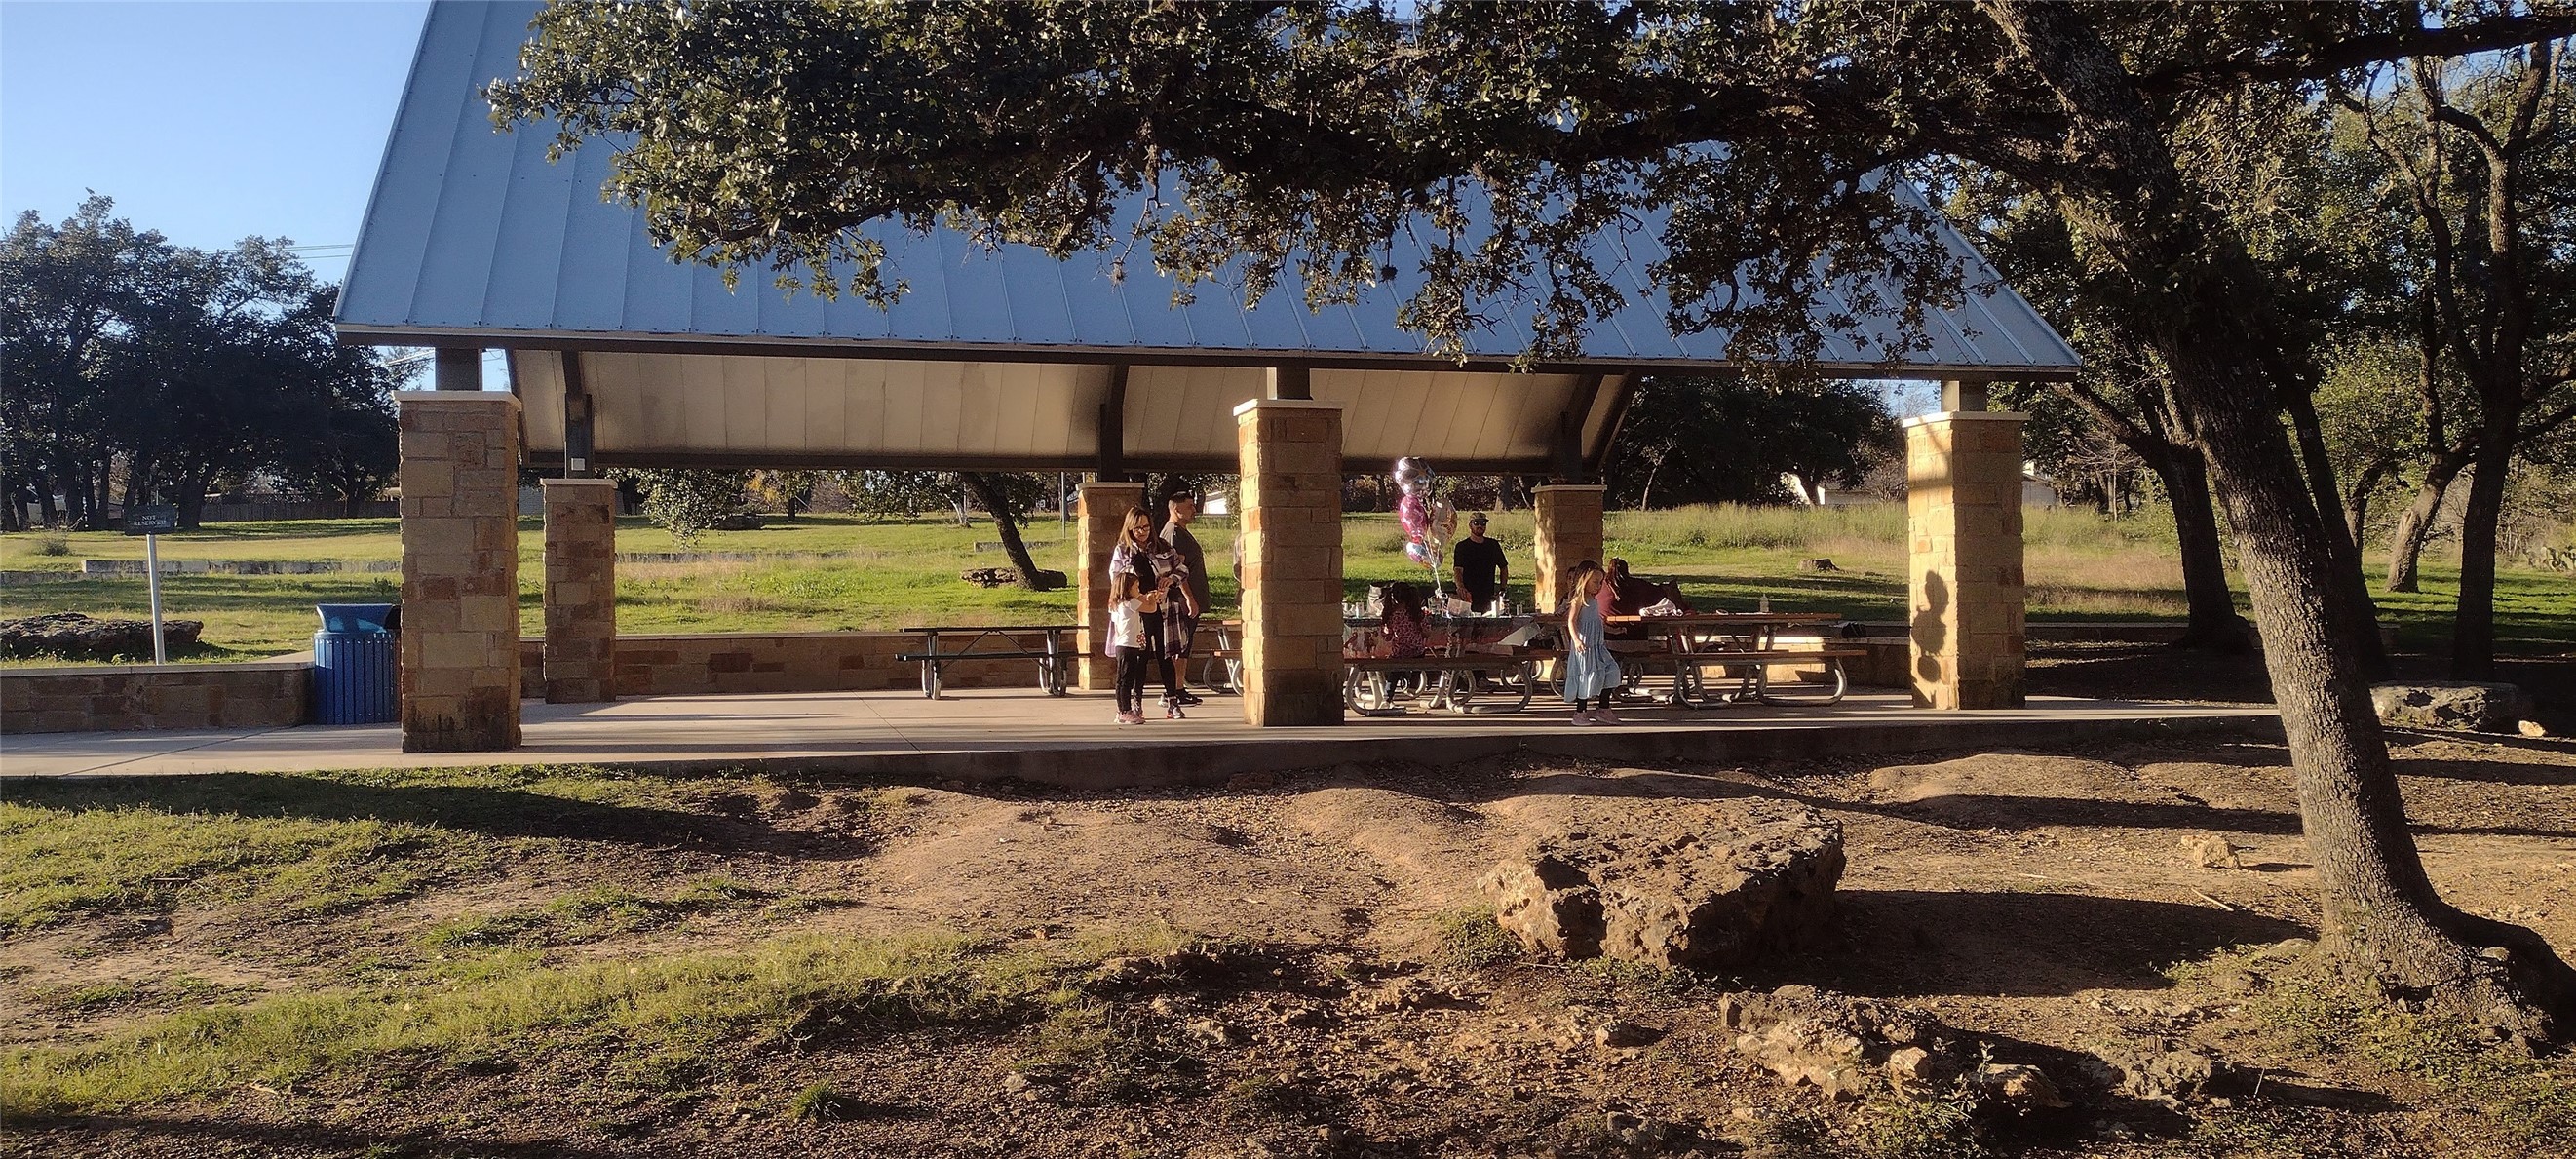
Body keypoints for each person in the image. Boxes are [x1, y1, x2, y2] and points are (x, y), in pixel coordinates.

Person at [1108, 505, 1193, 718]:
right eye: (1137, 529)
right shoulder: (1124, 551)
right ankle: (1136, 702)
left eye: (1146, 527)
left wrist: (1169, 580)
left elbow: (1182, 568)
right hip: (1137, 611)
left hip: (1162, 608)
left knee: (1165, 655)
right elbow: (1117, 581)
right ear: (1129, 529)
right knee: (1140, 657)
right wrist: (1140, 595)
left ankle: (1172, 701)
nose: (1143, 532)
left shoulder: (1162, 546)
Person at [1158, 489, 1212, 707]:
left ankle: (1179, 688)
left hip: (1186, 601)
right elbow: (1176, 570)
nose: (1194, 510)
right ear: (1176, 509)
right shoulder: (1173, 534)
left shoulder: (1181, 531)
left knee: (1184, 646)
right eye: (1189, 506)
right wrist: (1189, 597)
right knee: (1179, 646)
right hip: (1180, 601)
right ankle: (1173, 690)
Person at [1562, 561, 1624, 725]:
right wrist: (1576, 640)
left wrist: (1613, 631)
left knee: (1611, 671)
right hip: (1585, 647)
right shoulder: (1578, 601)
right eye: (1595, 582)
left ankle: (1604, 708)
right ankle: (1580, 712)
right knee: (1586, 677)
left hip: (1598, 646)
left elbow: (1596, 622)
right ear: (1584, 580)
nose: (1598, 586)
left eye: (1601, 582)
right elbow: (1571, 621)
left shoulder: (1595, 601)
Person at [1106, 571, 1151, 724]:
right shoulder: (1130, 603)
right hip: (1128, 645)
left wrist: (1143, 597)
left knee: (1122, 679)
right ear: (1127, 588)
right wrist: (1153, 599)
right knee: (1126, 679)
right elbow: (1150, 609)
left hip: (1122, 644)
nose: (1139, 589)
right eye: (1136, 587)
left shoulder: (1116, 604)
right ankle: (1125, 710)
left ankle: (1121, 710)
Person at [1450, 513, 1509, 613]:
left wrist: (1502, 589)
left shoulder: (1493, 545)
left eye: (1483, 523)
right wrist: (1460, 587)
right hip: (1468, 596)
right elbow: (1458, 570)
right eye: (1476, 523)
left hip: (1488, 595)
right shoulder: (1462, 547)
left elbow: (1503, 567)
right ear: (1470, 525)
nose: (1480, 526)